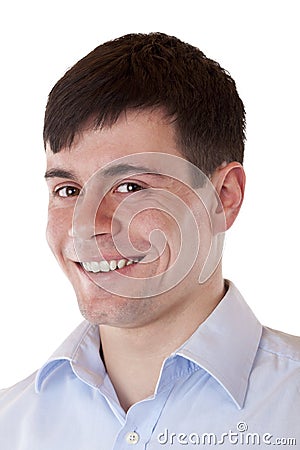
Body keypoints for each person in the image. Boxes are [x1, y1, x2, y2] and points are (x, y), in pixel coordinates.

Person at [0, 32, 299, 449]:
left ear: (224, 197)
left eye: (129, 187)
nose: (85, 227)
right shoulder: (10, 426)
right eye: (68, 190)